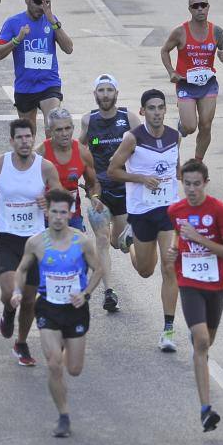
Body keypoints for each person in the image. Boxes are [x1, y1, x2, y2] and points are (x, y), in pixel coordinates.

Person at [12, 189, 103, 438]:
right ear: (47, 212)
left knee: (74, 369)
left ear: (70, 213)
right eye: (54, 212)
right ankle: (63, 415)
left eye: (64, 212)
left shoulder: (82, 241)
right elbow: (21, 270)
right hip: (49, 308)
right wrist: (17, 291)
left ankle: (63, 361)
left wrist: (85, 294)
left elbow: (98, 270)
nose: (59, 217)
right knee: (54, 364)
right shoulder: (36, 242)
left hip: (75, 310)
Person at [0, 118, 62, 366]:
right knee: (11, 293)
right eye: (19, 138)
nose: (24, 142)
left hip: (34, 242)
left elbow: (61, 199)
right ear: (12, 141)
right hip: (6, 239)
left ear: (34, 139)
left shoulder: (45, 168)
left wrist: (49, 206)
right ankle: (8, 312)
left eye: (28, 137)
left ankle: (21, 343)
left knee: (30, 299)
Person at [166, 159, 223, 432]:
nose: (192, 189)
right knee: (202, 341)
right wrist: (174, 251)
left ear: (206, 183)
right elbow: (177, 235)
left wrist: (200, 239)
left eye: (197, 184)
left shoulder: (220, 211)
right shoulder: (176, 210)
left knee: (208, 341)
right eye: (187, 184)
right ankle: (206, 410)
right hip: (189, 282)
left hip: (217, 282)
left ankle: (199, 344)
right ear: (181, 183)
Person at [108, 89, 181, 351]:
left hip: (168, 211)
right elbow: (112, 170)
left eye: (161, 107)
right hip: (141, 212)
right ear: (142, 112)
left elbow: (176, 169)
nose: (157, 112)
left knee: (170, 267)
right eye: (151, 108)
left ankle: (168, 330)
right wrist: (140, 178)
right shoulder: (132, 139)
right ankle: (129, 241)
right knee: (145, 270)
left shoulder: (175, 137)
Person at [79, 74, 141, 312]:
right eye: (101, 90)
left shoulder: (129, 118)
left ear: (116, 94)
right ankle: (109, 292)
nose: (105, 95)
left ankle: (128, 241)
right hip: (100, 191)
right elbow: (78, 149)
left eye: (109, 90)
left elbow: (144, 146)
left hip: (125, 190)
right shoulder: (88, 121)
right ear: (95, 95)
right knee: (103, 240)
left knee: (119, 243)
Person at [160, 0, 223, 162]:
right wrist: (171, 71)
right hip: (186, 85)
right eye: (195, 6)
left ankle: (198, 163)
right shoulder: (180, 32)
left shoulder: (216, 31)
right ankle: (182, 126)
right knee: (190, 126)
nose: (200, 9)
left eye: (203, 5)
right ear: (190, 10)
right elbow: (164, 50)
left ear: (208, 7)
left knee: (206, 125)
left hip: (208, 84)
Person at [0, 0, 73, 136]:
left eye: (46, 2)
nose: (42, 7)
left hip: (49, 84)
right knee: (28, 136)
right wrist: (17, 40)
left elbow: (69, 48)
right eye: (37, 2)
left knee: (53, 127)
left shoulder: (51, 21)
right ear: (27, 0)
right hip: (25, 87)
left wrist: (54, 24)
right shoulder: (13, 23)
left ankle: (51, 159)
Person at [35, 107, 100, 233]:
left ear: (73, 128)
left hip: (72, 215)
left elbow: (93, 183)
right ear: (50, 131)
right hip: (45, 216)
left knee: (76, 252)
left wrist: (95, 197)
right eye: (59, 130)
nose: (64, 134)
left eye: (67, 128)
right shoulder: (40, 154)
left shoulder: (82, 153)